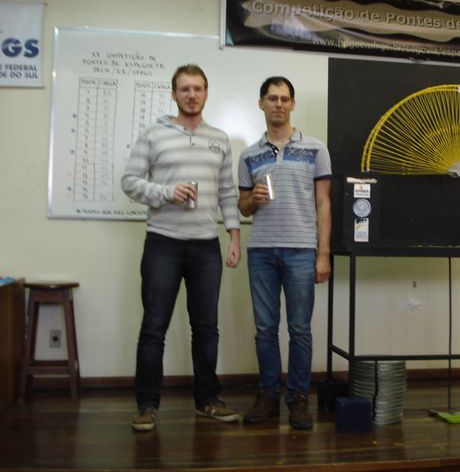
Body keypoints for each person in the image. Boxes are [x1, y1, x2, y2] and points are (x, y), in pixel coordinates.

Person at [121, 64, 241, 432]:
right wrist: (165, 192)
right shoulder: (153, 135)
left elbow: (227, 192)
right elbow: (129, 181)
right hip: (163, 244)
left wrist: (234, 236)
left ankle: (207, 400)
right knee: (153, 327)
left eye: (197, 88)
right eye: (185, 89)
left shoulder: (219, 138)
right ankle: (147, 405)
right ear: (173, 94)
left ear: (206, 93)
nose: (191, 95)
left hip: (206, 247)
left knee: (206, 328)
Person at [237, 76, 332, 430]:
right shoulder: (249, 155)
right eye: (272, 98)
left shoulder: (316, 149)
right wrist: (252, 198)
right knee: (265, 328)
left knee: (299, 329)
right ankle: (268, 395)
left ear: (292, 104)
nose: (278, 104)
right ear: (261, 104)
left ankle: (298, 397)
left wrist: (323, 254)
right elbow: (243, 207)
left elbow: (324, 204)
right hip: (261, 251)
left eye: (284, 98)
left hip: (301, 250)